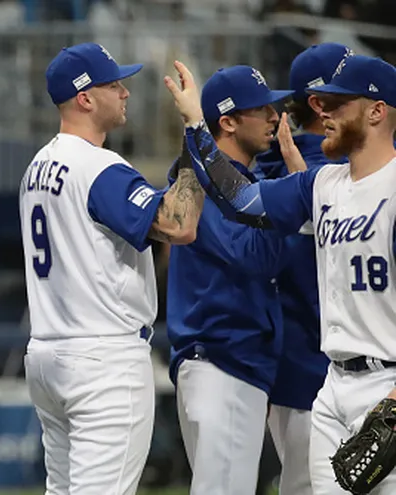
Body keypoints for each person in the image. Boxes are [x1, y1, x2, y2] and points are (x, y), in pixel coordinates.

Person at [173, 54, 396, 494]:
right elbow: (238, 199)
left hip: (388, 386)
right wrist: (197, 125)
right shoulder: (321, 184)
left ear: (376, 111)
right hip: (332, 387)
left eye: (337, 104)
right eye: (322, 104)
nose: (323, 113)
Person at [19, 43, 205, 495]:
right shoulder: (97, 166)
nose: (125, 92)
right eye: (114, 84)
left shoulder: (36, 166)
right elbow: (180, 225)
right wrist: (197, 133)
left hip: (48, 354)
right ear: (85, 97)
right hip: (102, 361)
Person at [166, 65, 294, 495]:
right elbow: (256, 256)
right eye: (262, 109)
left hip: (234, 363)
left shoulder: (244, 182)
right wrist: (293, 206)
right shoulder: (202, 183)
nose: (275, 116)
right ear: (229, 121)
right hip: (221, 361)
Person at [253, 42, 353, 495]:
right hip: (313, 370)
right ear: (322, 103)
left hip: (312, 371)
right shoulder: (318, 172)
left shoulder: (301, 166)